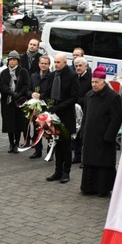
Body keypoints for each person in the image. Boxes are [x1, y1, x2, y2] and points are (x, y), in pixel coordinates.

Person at [79, 66, 122, 196]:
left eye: (97, 82)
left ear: (104, 82)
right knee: (89, 162)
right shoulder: (89, 95)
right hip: (90, 136)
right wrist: (83, 131)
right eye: (92, 82)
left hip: (104, 137)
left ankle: (102, 188)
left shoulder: (113, 97)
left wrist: (109, 136)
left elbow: (116, 119)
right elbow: (85, 115)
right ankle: (88, 187)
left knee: (103, 163)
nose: (94, 85)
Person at [46, 53, 79, 183]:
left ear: (65, 63)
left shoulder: (71, 76)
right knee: (56, 144)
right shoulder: (53, 75)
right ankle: (57, 171)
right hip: (54, 115)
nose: (56, 64)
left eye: (59, 62)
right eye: (55, 62)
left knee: (66, 146)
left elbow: (74, 97)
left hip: (66, 116)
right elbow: (47, 92)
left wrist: (59, 107)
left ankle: (66, 172)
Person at [0, 51, 30, 154]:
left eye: (14, 60)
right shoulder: (4, 72)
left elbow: (26, 85)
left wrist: (19, 93)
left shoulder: (23, 71)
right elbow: (2, 85)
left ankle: (17, 143)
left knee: (18, 123)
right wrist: (11, 92)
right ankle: (11, 143)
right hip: (8, 101)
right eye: (10, 60)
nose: (12, 62)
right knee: (9, 123)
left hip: (19, 102)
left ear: (18, 61)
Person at [27, 54, 53, 159]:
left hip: (47, 106)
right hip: (36, 107)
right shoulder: (33, 76)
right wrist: (31, 94)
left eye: (45, 64)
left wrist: (41, 96)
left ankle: (50, 152)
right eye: (42, 63)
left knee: (49, 131)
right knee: (37, 129)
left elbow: (51, 92)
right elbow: (27, 89)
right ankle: (38, 151)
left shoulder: (52, 76)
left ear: (49, 65)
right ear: (38, 64)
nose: (43, 65)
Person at [72, 57, 92, 164]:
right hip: (75, 109)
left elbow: (91, 93)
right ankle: (77, 156)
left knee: (85, 134)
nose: (78, 68)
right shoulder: (74, 77)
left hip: (86, 109)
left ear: (86, 66)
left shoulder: (90, 78)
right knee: (76, 132)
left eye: (80, 66)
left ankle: (85, 159)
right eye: (76, 66)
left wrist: (80, 101)